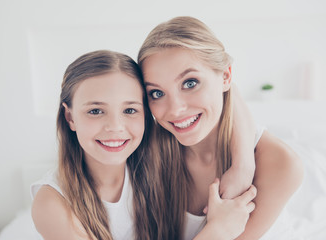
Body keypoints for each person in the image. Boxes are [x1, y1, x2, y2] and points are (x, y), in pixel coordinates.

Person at [30, 50, 257, 240]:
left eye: (130, 110)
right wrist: (217, 232)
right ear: (70, 118)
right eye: (95, 111)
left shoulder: (152, 153)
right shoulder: (53, 203)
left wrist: (242, 166)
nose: (115, 127)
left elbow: (230, 91)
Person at [138, 16, 304, 240]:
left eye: (190, 83)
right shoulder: (148, 153)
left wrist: (244, 164)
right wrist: (242, 165)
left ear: (226, 76)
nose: (175, 110)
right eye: (157, 93)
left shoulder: (280, 163)